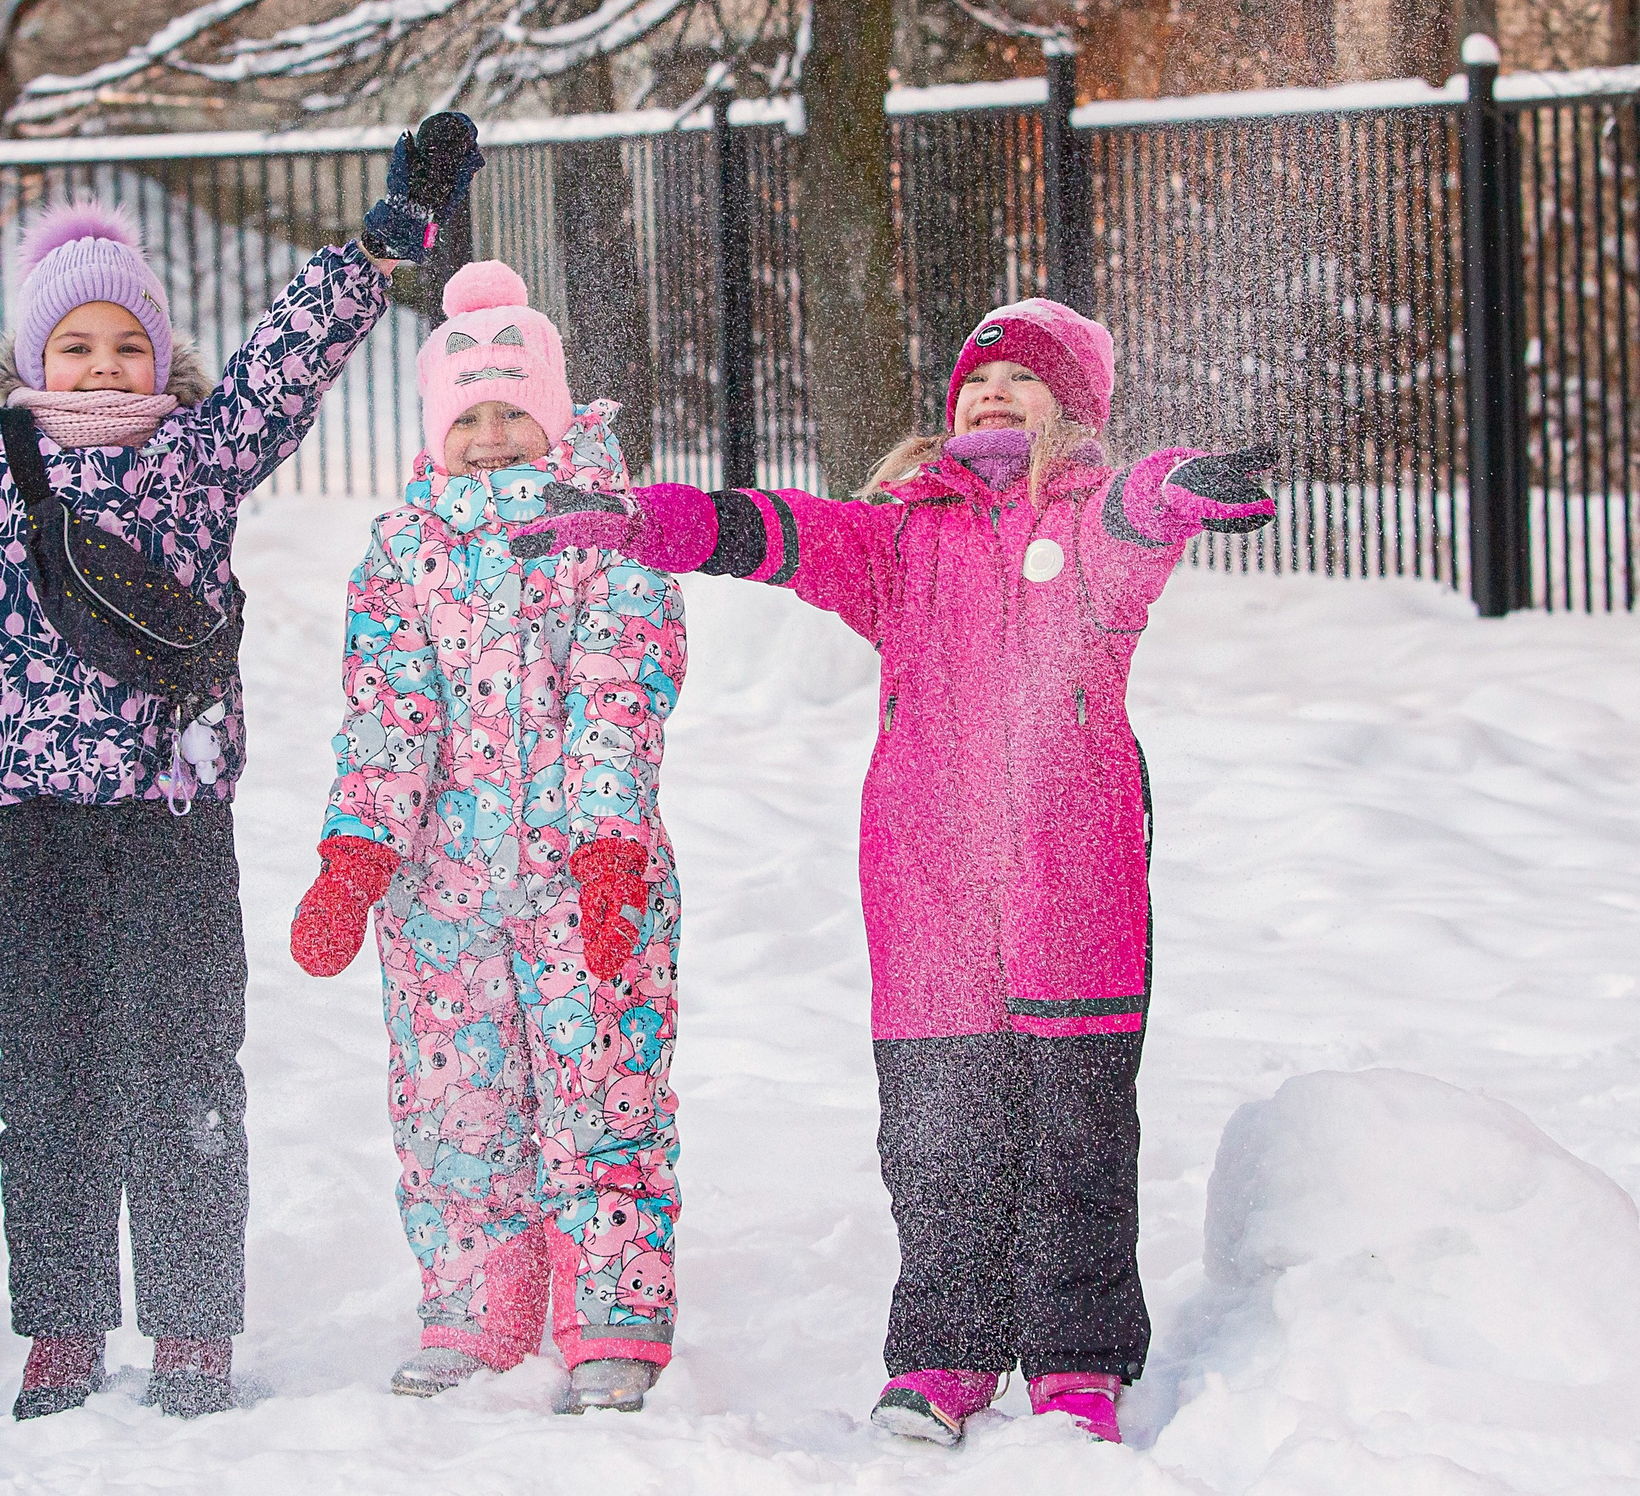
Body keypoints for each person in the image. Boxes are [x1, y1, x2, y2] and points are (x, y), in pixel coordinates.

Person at [0, 100, 483, 1418]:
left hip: (175, 807)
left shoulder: (199, 454)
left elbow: (291, 363)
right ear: (32, 353)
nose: (108, 362)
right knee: (51, 1065)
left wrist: (385, 241)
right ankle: (62, 1321)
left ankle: (191, 1324)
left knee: (187, 1065)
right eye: (78, 340)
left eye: (130, 342)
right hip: (36, 820)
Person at [509, 297, 1278, 1446]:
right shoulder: (901, 536)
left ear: (1075, 410)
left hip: (1073, 880)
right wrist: (636, 521)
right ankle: (941, 1356)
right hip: (927, 882)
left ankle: (1076, 1363)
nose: (991, 395)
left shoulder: (1092, 527)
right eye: (976, 381)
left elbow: (1145, 503)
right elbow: (776, 529)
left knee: (1077, 1132)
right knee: (936, 1135)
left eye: (1023, 381)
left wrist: (1189, 486)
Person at [289, 260, 688, 1415]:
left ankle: (613, 1310)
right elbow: (388, 712)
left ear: (556, 416)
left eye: (516, 409)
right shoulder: (400, 551)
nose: (495, 434)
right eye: (471, 416)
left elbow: (619, 692)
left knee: (604, 1092)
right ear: (434, 429)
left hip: (586, 884)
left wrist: (608, 843)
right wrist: (355, 855)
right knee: (454, 1106)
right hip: (443, 895)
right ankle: (477, 1308)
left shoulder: (610, 535)